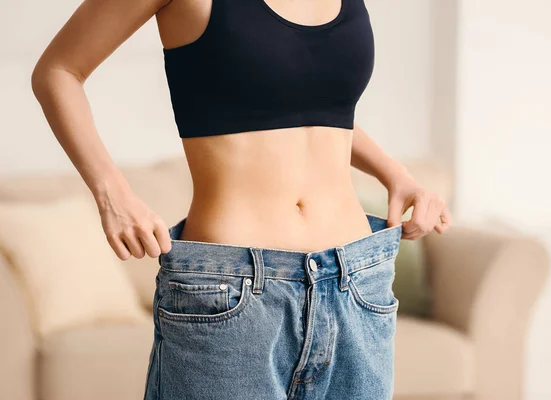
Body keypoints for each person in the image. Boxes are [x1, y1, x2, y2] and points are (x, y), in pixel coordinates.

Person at [31, 0, 452, 398]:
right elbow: (58, 71)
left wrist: (395, 174)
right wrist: (113, 194)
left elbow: (307, 98)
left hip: (356, 282)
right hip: (233, 294)